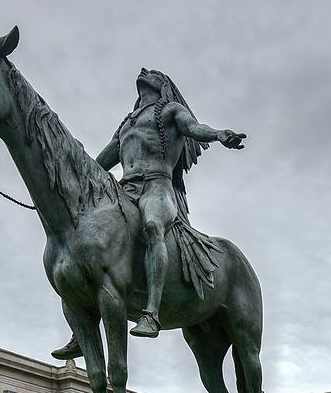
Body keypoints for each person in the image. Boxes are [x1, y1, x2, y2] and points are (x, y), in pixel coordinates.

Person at [51, 69, 246, 360]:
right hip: (125, 189)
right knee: (88, 236)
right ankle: (82, 327)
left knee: (153, 225)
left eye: (153, 72)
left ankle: (151, 312)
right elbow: (101, 162)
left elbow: (195, 128)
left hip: (158, 187)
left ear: (163, 84)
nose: (144, 71)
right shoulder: (127, 124)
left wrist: (218, 134)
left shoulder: (170, 110)